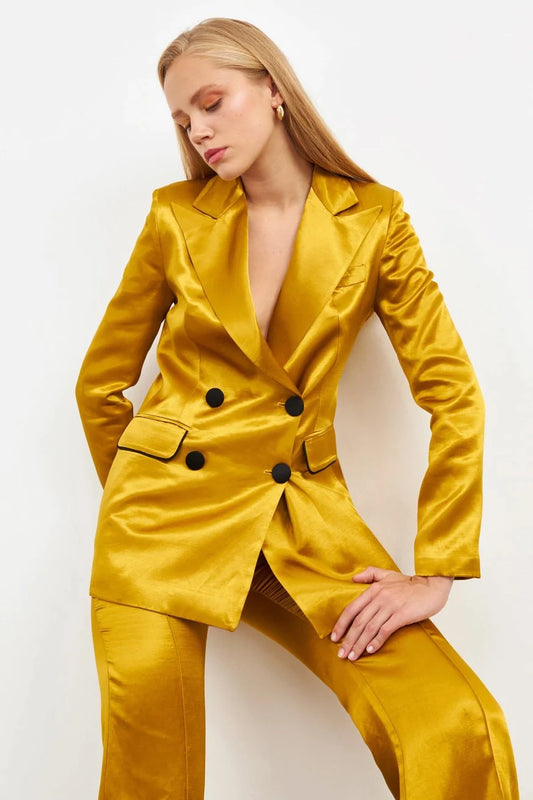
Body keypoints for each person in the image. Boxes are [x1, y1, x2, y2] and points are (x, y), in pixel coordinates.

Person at [75, 16, 519, 800]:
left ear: (273, 90)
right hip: (157, 526)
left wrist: (438, 567)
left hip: (298, 523)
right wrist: (145, 495)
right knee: (152, 778)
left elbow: (452, 393)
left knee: (452, 720)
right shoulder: (176, 218)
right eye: (182, 119)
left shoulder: (373, 219)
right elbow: (99, 384)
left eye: (212, 102)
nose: (198, 130)